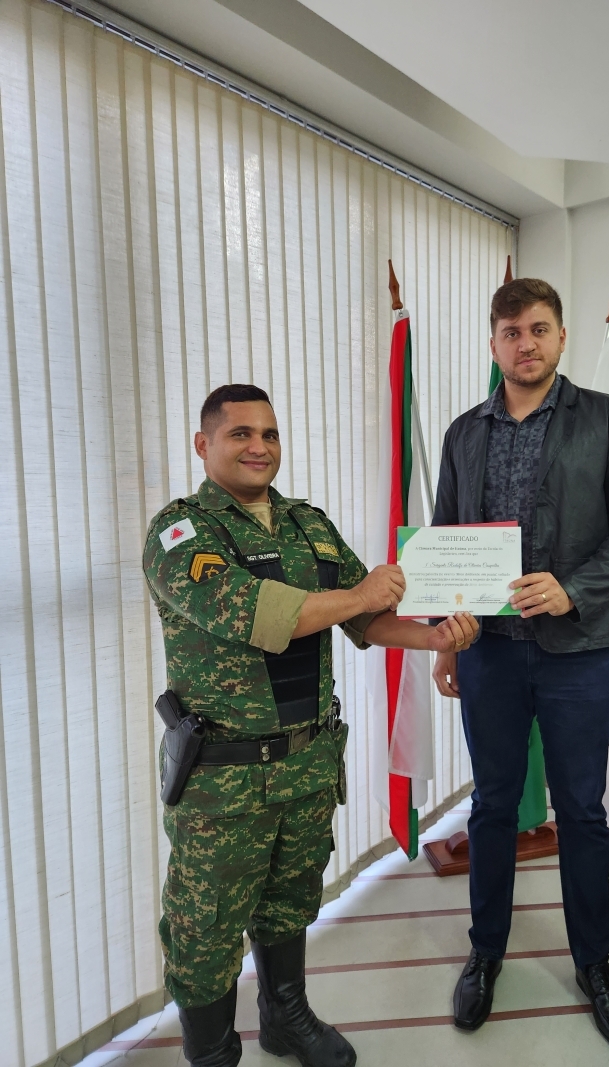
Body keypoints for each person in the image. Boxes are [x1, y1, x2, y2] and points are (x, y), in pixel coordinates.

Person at [143, 384, 478, 1067]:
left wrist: (435, 635)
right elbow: (260, 614)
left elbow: (368, 616)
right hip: (224, 781)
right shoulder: (181, 533)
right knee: (206, 929)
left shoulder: (307, 525)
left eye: (269, 433)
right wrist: (360, 593)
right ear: (204, 444)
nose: (259, 446)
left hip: (305, 763)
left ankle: (286, 1018)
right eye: (240, 433)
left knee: (291, 902)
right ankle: (212, 1054)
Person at [431, 279, 609, 1053]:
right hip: (490, 654)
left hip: (580, 653)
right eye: (510, 332)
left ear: (561, 337)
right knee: (493, 808)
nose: (524, 344)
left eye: (537, 329)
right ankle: (485, 953)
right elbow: (444, 538)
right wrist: (444, 635)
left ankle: (595, 965)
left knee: (583, 813)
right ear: (493, 344)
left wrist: (574, 587)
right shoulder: (463, 433)